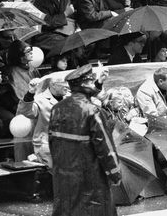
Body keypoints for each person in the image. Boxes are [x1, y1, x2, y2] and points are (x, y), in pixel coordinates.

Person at [49, 64, 121, 216]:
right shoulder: (92, 110)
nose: (93, 84)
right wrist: (115, 173)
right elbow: (105, 147)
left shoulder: (57, 108)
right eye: (91, 81)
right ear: (84, 84)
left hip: (64, 173)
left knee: (67, 208)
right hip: (90, 174)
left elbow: (53, 143)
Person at [16, 77, 69, 167]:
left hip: (67, 143)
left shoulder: (69, 97)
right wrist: (30, 93)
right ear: (53, 85)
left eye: (67, 82)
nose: (67, 86)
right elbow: (26, 112)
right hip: (46, 145)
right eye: (63, 83)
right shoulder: (39, 99)